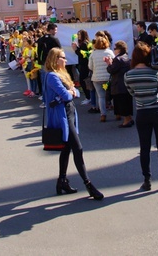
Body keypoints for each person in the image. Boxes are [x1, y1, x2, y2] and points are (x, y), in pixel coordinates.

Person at [44, 48, 104, 200]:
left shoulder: (62, 74)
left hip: (69, 112)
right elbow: (66, 94)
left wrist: (71, 92)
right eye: (62, 58)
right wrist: (70, 92)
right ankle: (88, 184)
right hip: (62, 114)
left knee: (67, 148)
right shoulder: (52, 76)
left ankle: (62, 180)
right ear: (55, 59)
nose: (65, 60)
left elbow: (76, 92)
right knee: (78, 148)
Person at [124, 41, 158, 191]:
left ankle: (147, 180)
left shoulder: (128, 75)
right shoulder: (155, 72)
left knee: (144, 147)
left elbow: (131, 92)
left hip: (142, 111)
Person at [105, 40, 133, 128]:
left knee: (122, 104)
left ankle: (126, 121)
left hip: (118, 85)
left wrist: (109, 63)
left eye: (115, 48)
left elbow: (111, 70)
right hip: (126, 84)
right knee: (127, 102)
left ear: (119, 49)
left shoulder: (118, 59)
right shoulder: (127, 57)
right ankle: (129, 119)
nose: (114, 50)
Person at [88, 35, 114, 122]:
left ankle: (103, 114)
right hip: (108, 78)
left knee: (101, 97)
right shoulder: (110, 52)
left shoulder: (93, 54)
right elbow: (114, 64)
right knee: (112, 94)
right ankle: (116, 113)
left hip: (97, 78)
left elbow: (90, 67)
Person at [72, 30, 93, 106]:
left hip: (85, 65)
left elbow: (82, 55)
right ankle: (89, 97)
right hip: (85, 65)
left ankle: (89, 97)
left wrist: (76, 49)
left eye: (79, 34)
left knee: (83, 81)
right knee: (85, 81)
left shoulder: (84, 43)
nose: (78, 36)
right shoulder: (86, 43)